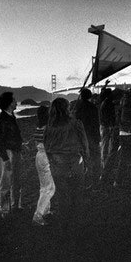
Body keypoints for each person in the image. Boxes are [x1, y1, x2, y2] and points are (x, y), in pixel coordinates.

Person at [44, 98, 90, 230]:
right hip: (75, 162)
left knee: (62, 195)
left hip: (57, 164)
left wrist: (51, 161)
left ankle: (64, 224)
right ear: (67, 108)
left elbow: (46, 146)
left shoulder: (49, 126)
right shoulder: (76, 123)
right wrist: (86, 161)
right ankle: (77, 224)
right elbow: (84, 144)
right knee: (77, 194)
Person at [0, 92, 24, 219]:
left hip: (15, 151)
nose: (17, 102)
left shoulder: (11, 117)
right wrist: (5, 158)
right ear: (10, 103)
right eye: (14, 100)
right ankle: (5, 210)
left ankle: (15, 206)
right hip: (7, 153)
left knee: (16, 180)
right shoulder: (1, 119)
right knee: (5, 182)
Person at [32, 106, 55, 226]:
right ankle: (38, 215)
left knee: (44, 186)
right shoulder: (48, 128)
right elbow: (51, 145)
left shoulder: (38, 127)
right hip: (46, 156)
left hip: (38, 155)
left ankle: (46, 211)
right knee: (50, 188)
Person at [73, 88, 101, 190]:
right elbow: (96, 123)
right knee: (95, 158)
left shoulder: (78, 108)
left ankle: (84, 182)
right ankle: (95, 182)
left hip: (81, 137)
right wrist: (98, 136)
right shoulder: (93, 107)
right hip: (91, 136)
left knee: (84, 160)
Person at [99, 89, 115, 171]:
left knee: (104, 144)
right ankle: (105, 164)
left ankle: (104, 163)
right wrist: (110, 125)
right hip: (107, 126)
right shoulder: (108, 103)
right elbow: (108, 116)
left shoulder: (103, 102)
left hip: (103, 126)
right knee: (106, 145)